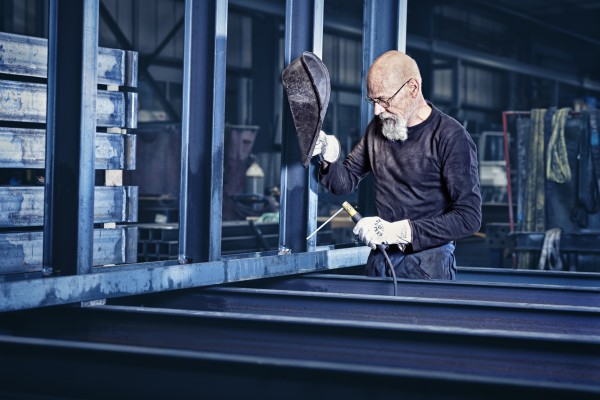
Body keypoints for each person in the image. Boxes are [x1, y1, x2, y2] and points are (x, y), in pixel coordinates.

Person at [312, 50, 481, 280]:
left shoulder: (451, 137)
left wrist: (400, 232)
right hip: (381, 261)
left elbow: (468, 217)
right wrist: (327, 159)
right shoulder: (378, 128)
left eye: (384, 100)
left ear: (413, 88)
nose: (377, 110)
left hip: (429, 266)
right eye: (373, 101)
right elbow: (345, 181)